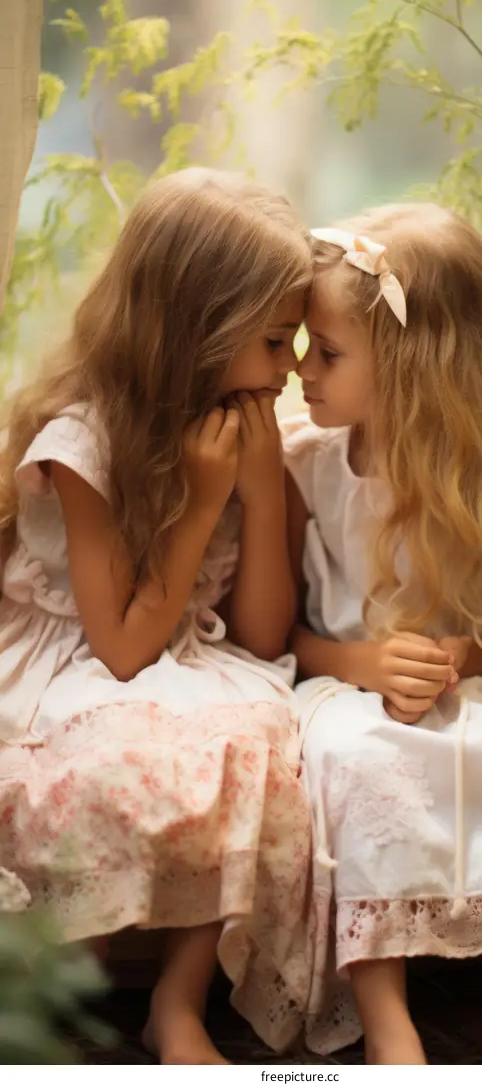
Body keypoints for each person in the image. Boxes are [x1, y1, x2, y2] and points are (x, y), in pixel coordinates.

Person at [0, 168, 313, 1064]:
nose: (288, 367)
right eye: (275, 340)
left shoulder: (240, 425)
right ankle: (63, 994)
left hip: (189, 648)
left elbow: (259, 636)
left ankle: (177, 1003)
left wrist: (256, 483)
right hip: (82, 661)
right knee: (118, 763)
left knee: (254, 736)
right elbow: (126, 648)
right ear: (198, 328)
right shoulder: (79, 443)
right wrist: (205, 496)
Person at [282, 204, 482, 1065]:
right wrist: (360, 661)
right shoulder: (305, 463)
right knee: (353, 761)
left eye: (329, 352)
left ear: (415, 366)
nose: (303, 372)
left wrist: (468, 653)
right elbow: (282, 634)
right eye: (304, 345)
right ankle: (389, 1021)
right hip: (354, 683)